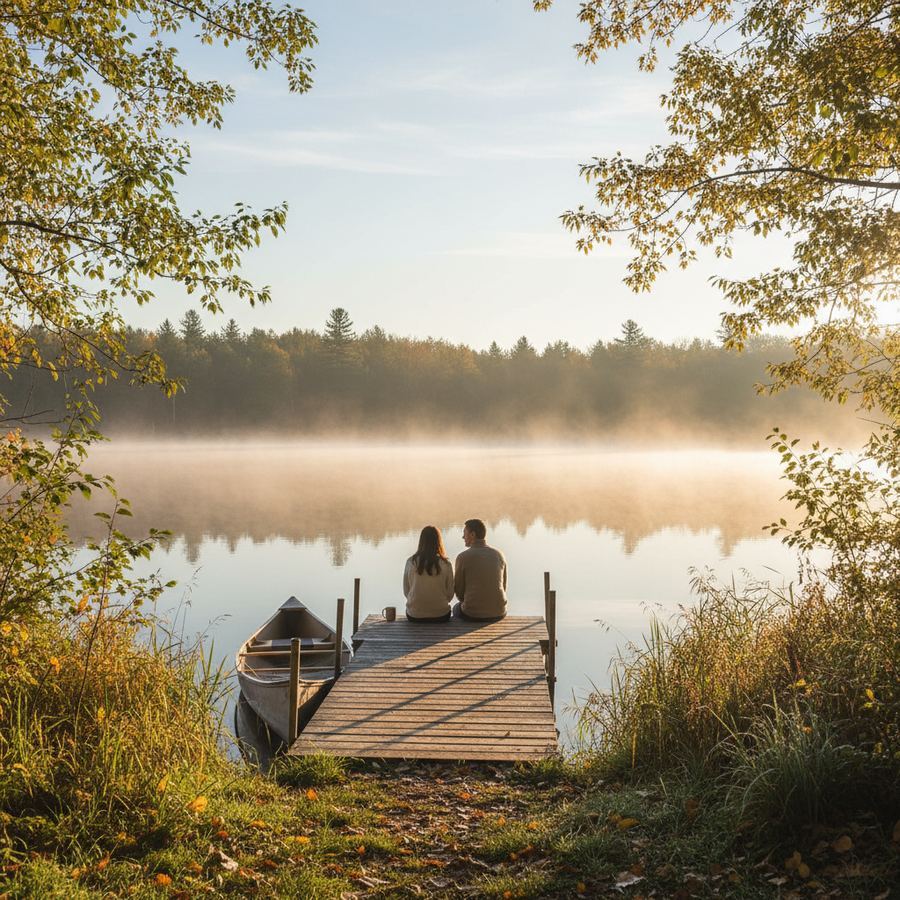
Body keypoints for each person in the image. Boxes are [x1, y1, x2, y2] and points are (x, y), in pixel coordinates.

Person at [453, 518, 507, 620]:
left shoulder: (462, 557)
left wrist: (468, 602)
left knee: (455, 608)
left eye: (465, 533)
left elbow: (459, 590)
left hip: (472, 613)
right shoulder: (499, 555)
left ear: (473, 535)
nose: (463, 537)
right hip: (499, 611)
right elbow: (503, 586)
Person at [403, 525, 454, 622]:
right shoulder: (446, 564)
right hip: (441, 615)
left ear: (421, 541)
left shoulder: (410, 562)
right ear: (438, 542)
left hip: (414, 616)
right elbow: (450, 594)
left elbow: (406, 591)